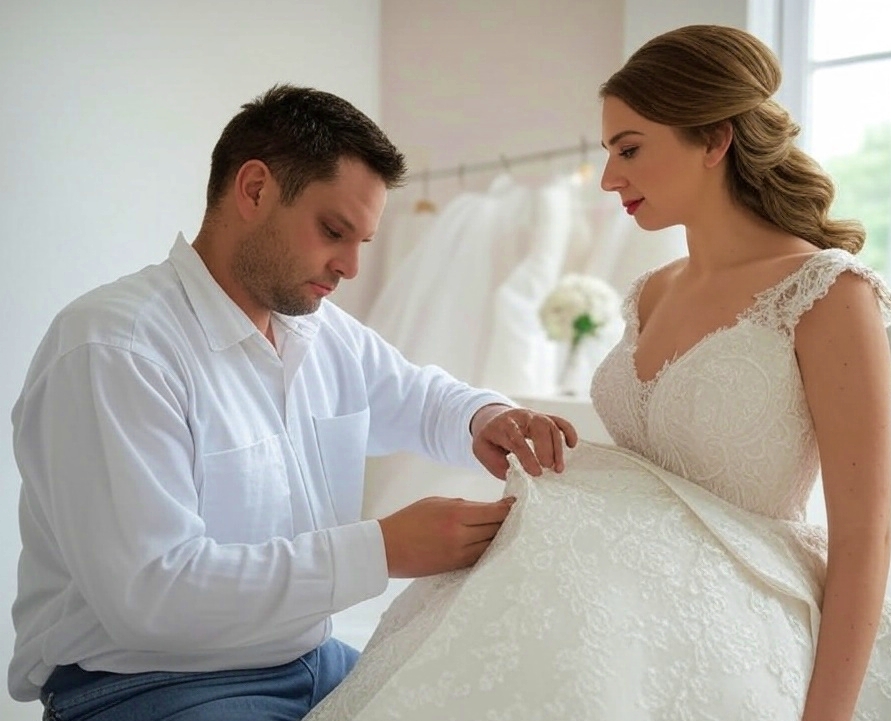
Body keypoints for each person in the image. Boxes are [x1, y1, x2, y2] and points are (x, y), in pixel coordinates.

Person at [302, 25, 891, 721]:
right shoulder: (651, 291)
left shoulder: (830, 293)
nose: (611, 176)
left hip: (743, 612)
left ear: (714, 139)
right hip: (618, 610)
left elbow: (867, 538)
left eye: (631, 148)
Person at [8, 84, 578, 721]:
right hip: (151, 685)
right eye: (335, 231)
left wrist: (485, 417)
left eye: (363, 240)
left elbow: (417, 397)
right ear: (253, 189)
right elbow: (152, 594)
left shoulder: (315, 329)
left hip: (311, 661)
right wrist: (383, 549)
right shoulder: (114, 350)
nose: (352, 268)